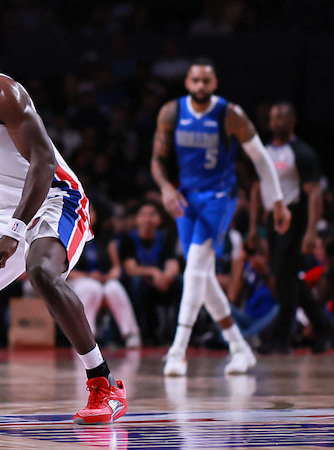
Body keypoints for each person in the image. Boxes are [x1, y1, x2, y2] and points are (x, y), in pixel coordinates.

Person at [0, 29, 127, 425]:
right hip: (5, 209)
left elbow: (43, 162)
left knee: (42, 272)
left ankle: (104, 384)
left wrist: (15, 232)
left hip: (56, 198)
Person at [152, 57, 290, 376]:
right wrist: (164, 188)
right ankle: (239, 347)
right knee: (203, 277)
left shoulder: (230, 114)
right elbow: (157, 161)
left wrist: (278, 201)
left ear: (214, 84)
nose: (200, 86)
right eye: (195, 80)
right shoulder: (171, 112)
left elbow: (261, 158)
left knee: (196, 267)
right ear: (187, 83)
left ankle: (177, 351)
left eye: (206, 81)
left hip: (219, 197)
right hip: (187, 197)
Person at [250, 101, 332, 352]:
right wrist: (254, 226)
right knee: (287, 278)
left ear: (292, 120)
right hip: (271, 219)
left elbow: (315, 194)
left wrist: (310, 231)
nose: (275, 122)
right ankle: (324, 328)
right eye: (272, 118)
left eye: (280, 118)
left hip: (293, 218)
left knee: (286, 279)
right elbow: (256, 189)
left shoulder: (301, 152)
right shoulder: (263, 151)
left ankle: (280, 339)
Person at [69, 204, 142, 348]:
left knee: (114, 288)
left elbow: (116, 268)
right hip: (78, 281)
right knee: (91, 288)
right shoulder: (69, 237)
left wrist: (108, 277)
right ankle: (86, 338)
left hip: (102, 281)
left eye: (90, 210)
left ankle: (131, 333)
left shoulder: (105, 237)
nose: (87, 214)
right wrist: (88, 276)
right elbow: (65, 271)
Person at [115, 200, 182, 345]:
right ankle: (144, 334)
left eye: (152, 214)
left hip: (160, 283)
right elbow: (130, 269)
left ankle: (176, 334)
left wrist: (166, 277)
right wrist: (153, 272)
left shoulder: (165, 237)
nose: (148, 219)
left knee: (180, 283)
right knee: (137, 283)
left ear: (159, 219)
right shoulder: (128, 238)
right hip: (139, 283)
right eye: (143, 215)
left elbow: (173, 265)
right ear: (137, 219)